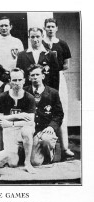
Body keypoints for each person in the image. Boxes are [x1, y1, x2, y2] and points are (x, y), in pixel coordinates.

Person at [0, 68, 36, 173]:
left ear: (24, 80)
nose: (17, 83)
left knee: (27, 130)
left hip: (22, 128)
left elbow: (30, 122)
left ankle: (27, 163)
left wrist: (10, 122)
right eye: (14, 80)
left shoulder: (29, 97)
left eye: (20, 80)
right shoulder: (3, 97)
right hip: (9, 130)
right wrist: (19, 115)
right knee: (13, 163)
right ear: (10, 81)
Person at [43, 18, 74, 159]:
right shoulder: (41, 43)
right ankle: (48, 148)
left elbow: (66, 64)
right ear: (44, 28)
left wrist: (55, 68)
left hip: (59, 77)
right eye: (48, 26)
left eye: (52, 26)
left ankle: (65, 147)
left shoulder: (62, 44)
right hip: (44, 78)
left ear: (56, 28)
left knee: (61, 110)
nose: (50, 29)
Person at [24, 64, 64, 165]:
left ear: (43, 76)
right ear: (29, 77)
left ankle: (51, 153)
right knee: (35, 162)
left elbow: (59, 114)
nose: (35, 77)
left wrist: (51, 127)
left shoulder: (53, 93)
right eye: (32, 75)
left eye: (37, 74)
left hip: (45, 130)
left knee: (46, 140)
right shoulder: (24, 91)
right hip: (31, 131)